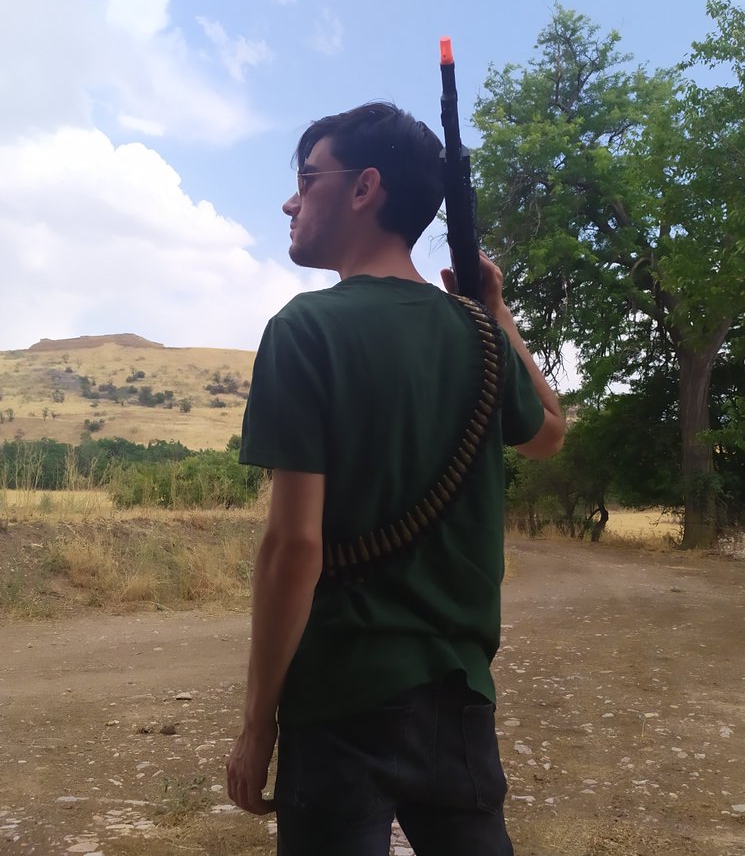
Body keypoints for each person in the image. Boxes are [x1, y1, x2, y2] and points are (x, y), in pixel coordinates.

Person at [226, 101, 565, 855]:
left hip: (339, 698)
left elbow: (294, 547)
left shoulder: (305, 330)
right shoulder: (478, 335)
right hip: (459, 697)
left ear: (364, 187)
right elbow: (550, 432)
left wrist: (258, 723)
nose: (290, 202)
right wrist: (495, 311)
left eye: (307, 179)